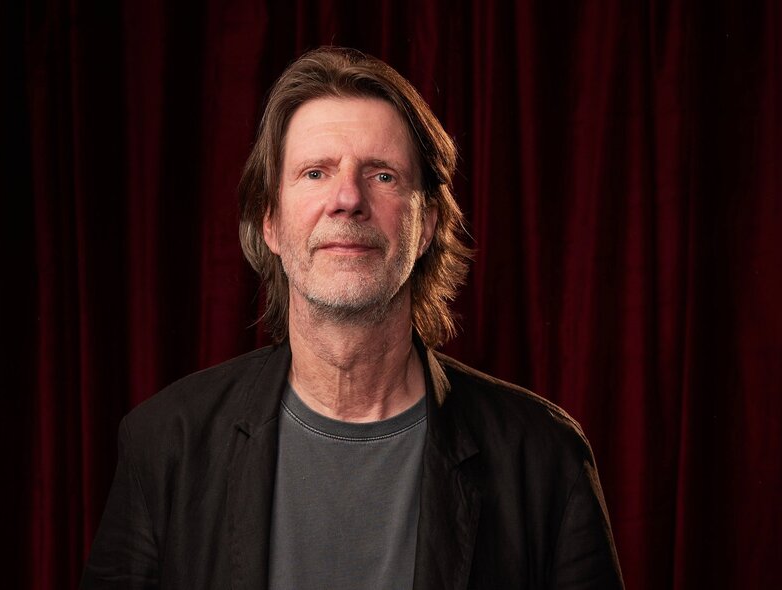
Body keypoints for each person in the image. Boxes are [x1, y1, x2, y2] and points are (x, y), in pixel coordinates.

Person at [81, 46, 624, 589]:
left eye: (382, 175)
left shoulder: (545, 458)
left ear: (426, 225)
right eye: (315, 172)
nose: (347, 198)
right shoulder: (164, 445)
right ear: (270, 222)